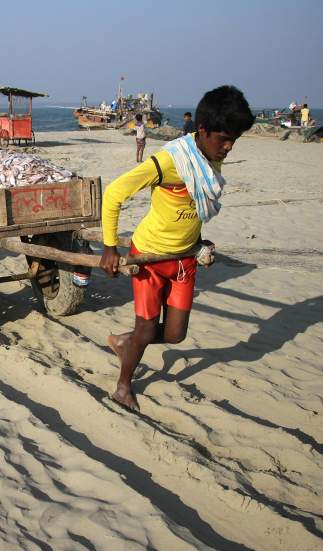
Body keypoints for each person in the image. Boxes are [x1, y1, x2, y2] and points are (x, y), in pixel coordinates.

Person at [99, 85, 255, 412]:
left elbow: (192, 209)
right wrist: (110, 247)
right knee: (146, 328)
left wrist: (199, 241)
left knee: (174, 336)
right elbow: (113, 193)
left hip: (184, 259)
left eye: (234, 140)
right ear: (203, 131)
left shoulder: (210, 159)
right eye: (223, 139)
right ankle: (123, 386)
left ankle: (127, 341)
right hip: (149, 259)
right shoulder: (170, 162)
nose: (228, 147)